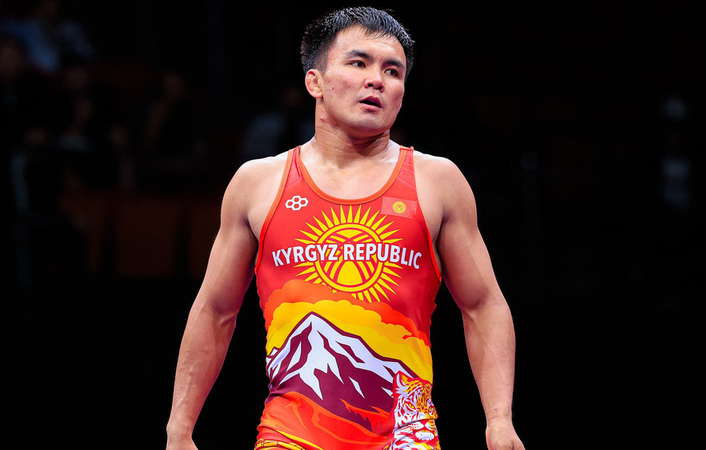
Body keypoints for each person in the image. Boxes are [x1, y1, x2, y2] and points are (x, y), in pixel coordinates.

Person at [166, 7, 524, 450]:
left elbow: (483, 305)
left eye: (393, 71)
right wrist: (179, 428)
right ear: (314, 82)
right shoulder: (257, 183)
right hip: (289, 436)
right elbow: (214, 310)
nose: (377, 80)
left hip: (405, 437)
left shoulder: (438, 182)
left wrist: (499, 420)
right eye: (359, 63)